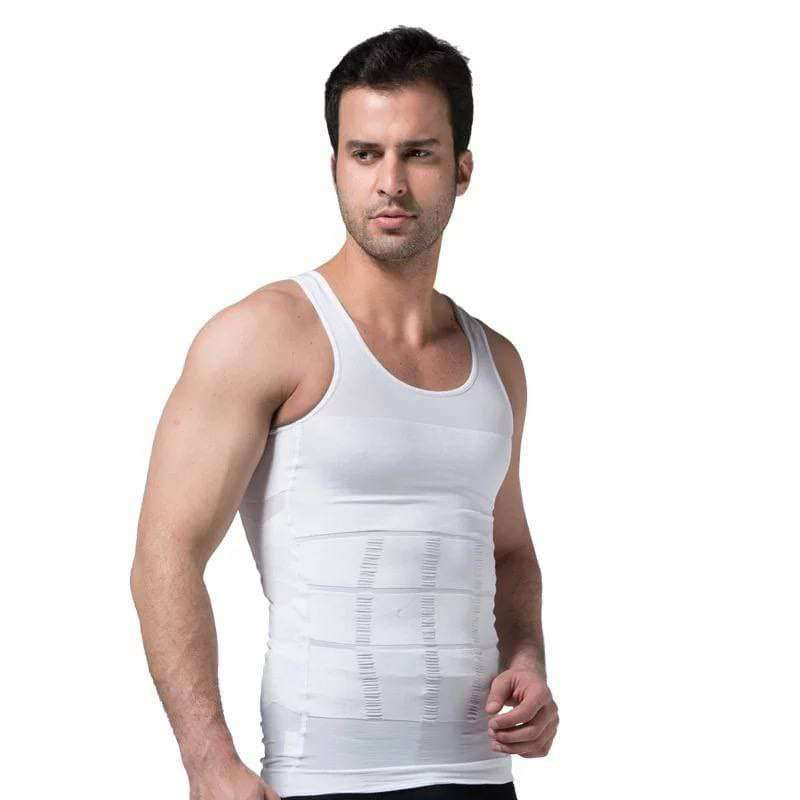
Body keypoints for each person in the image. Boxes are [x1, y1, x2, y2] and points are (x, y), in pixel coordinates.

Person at [131, 25, 558, 800]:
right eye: (365, 154)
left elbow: (509, 551)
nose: (390, 182)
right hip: (322, 779)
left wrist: (526, 657)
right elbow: (167, 553)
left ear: (461, 169)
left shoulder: (499, 363)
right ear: (335, 165)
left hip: (479, 777)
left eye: (418, 153)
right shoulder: (265, 335)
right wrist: (208, 761)